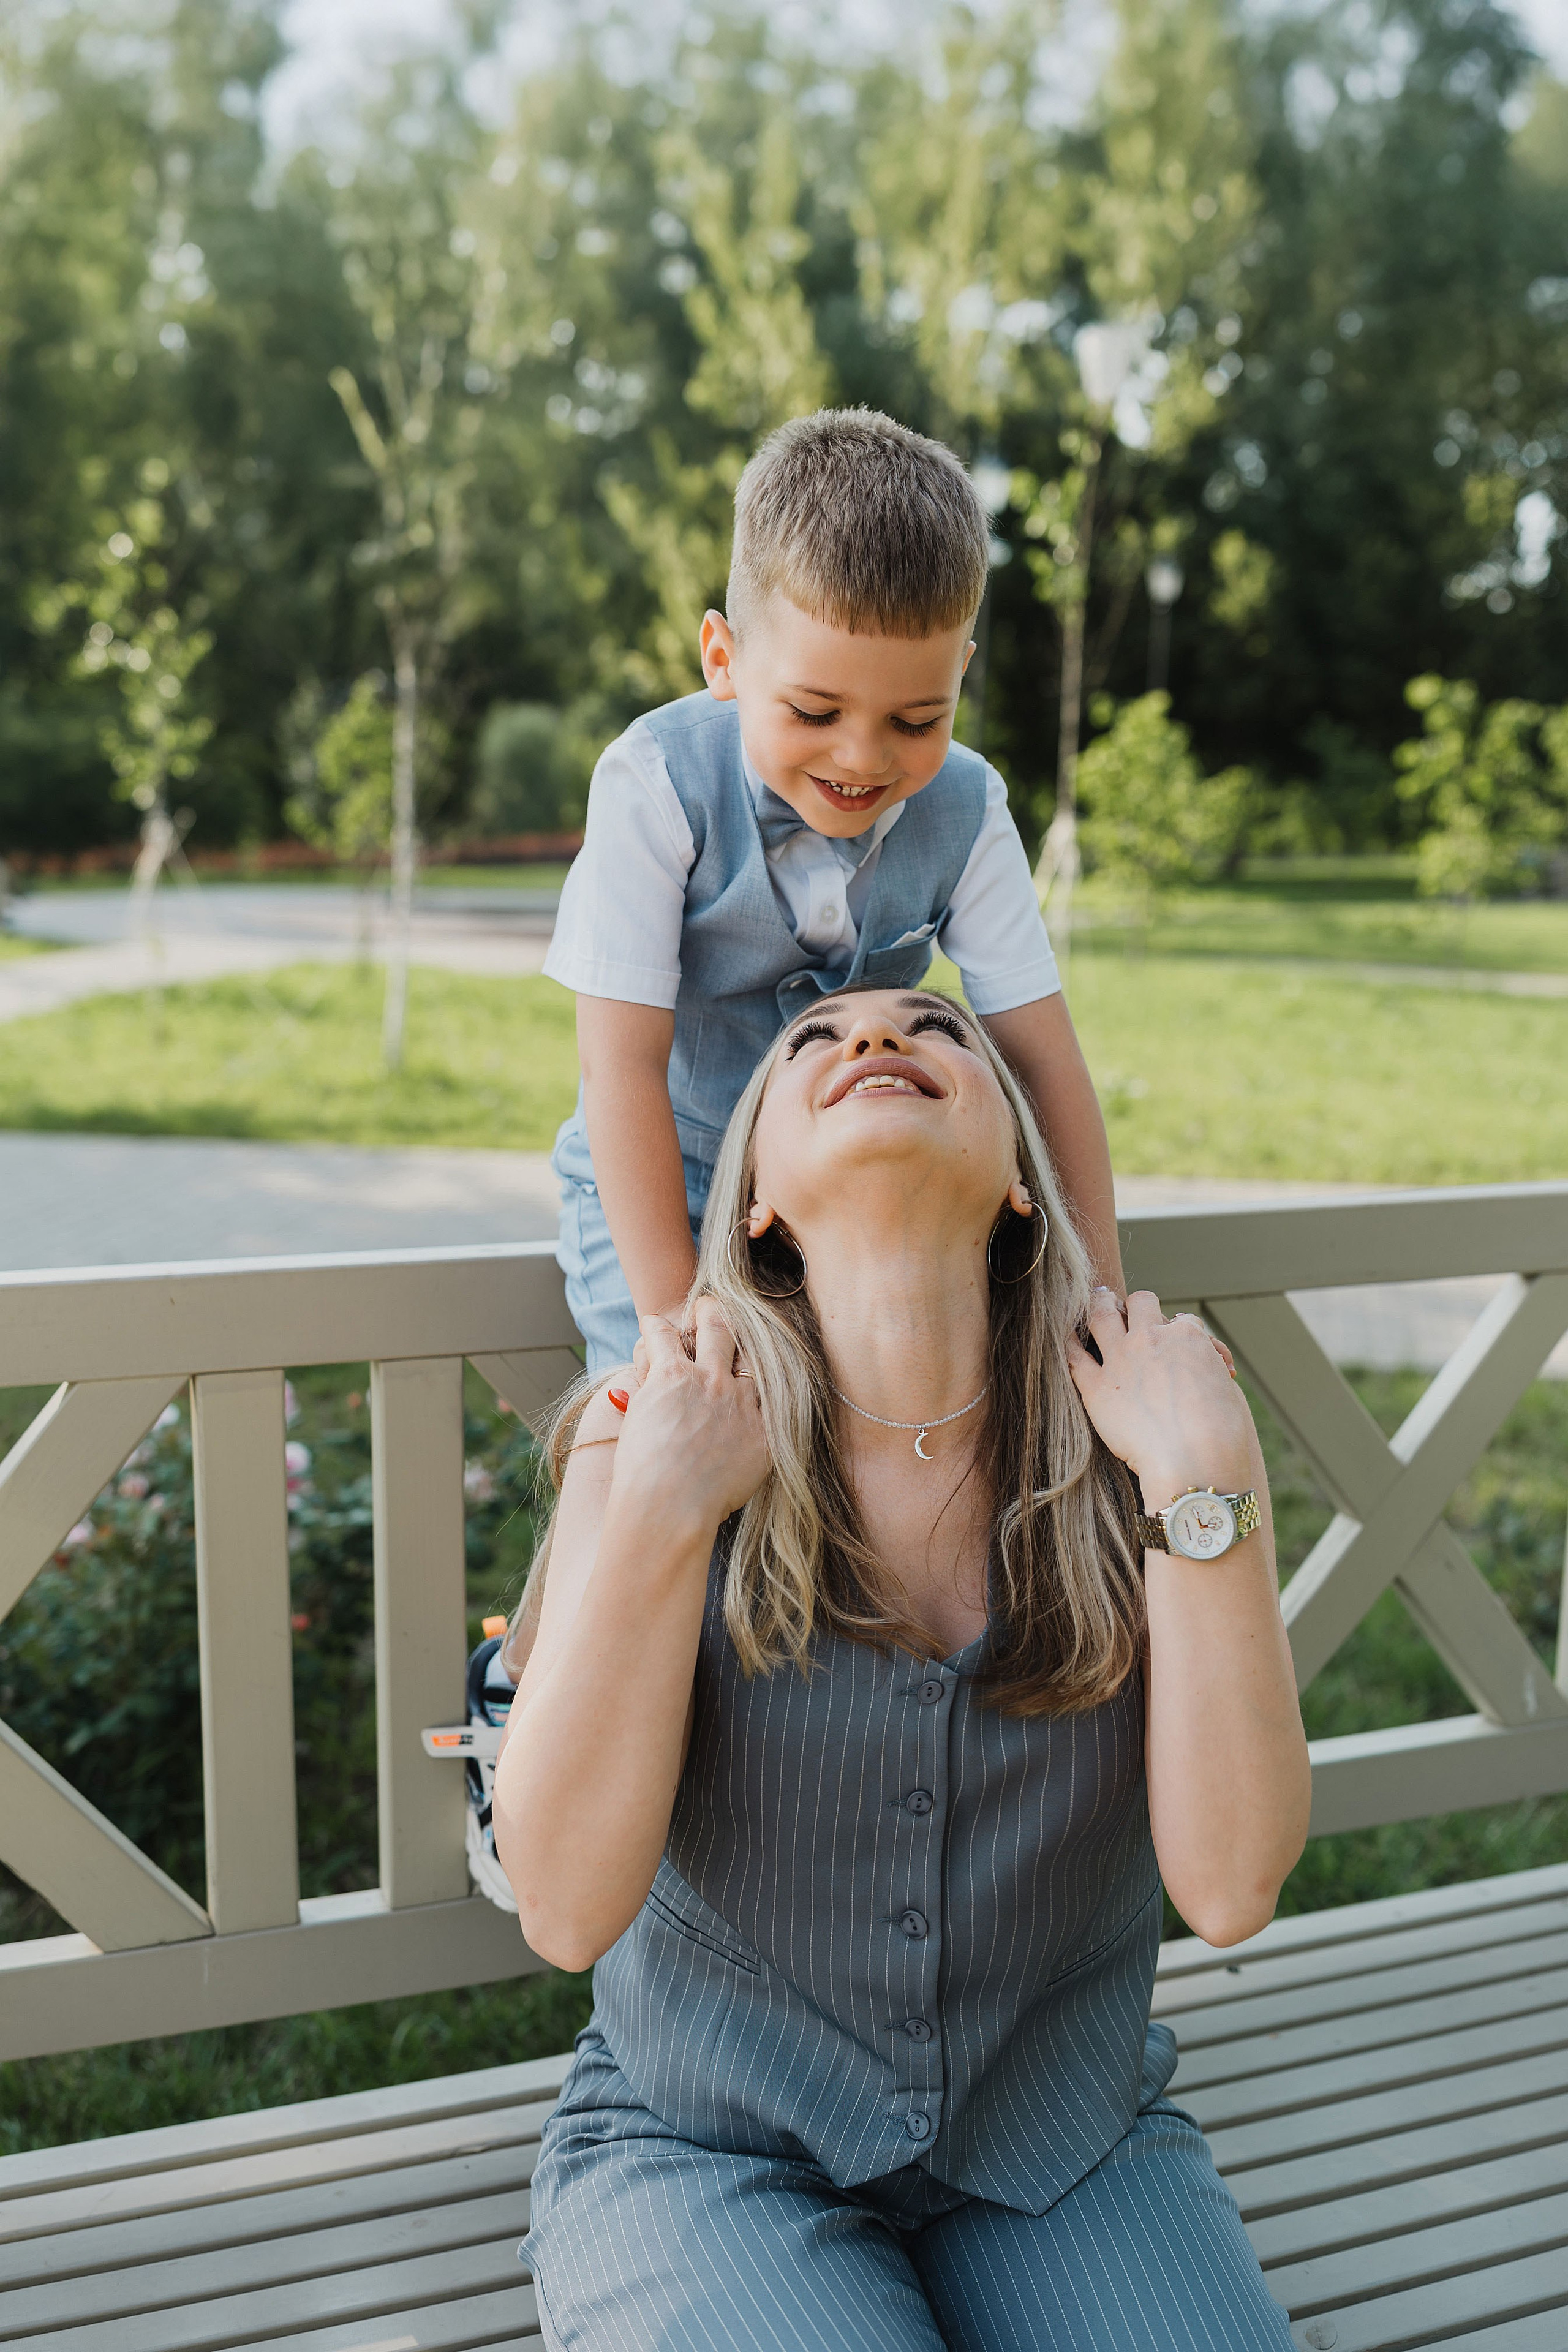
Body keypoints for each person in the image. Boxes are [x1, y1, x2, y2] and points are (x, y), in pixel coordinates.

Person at [492, 983, 1310, 2352]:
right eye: (813, 1042)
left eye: (936, 1031)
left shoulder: (1151, 1435)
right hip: (709, 2153)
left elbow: (1230, 1888)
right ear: (752, 1200)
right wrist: (659, 1510)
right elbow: (564, 1912)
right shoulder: (640, 1438)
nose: (873, 1042)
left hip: (1066, 2149)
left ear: (1020, 1186)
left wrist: (1202, 1482)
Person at [464, 408, 1125, 1900]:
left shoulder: (965, 809)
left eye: (914, 719)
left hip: (840, 1192)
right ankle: (536, 1691)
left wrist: (1097, 1285)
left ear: (960, 679)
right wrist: (673, 1311)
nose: (863, 758)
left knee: (868, 1427)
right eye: (814, 708)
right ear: (721, 658)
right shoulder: (654, 783)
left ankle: (834, 1747)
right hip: (667, 1159)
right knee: (646, 1434)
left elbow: (1040, 1053)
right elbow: (620, 1064)